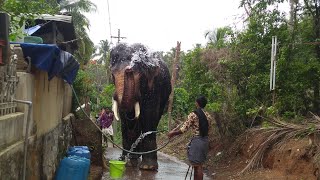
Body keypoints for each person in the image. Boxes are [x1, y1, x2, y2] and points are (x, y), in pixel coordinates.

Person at [167, 96, 212, 180]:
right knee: (199, 165)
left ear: (197, 103)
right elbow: (209, 129)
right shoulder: (208, 115)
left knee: (197, 166)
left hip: (197, 141)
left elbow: (183, 129)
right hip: (205, 141)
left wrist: (172, 133)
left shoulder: (193, 114)